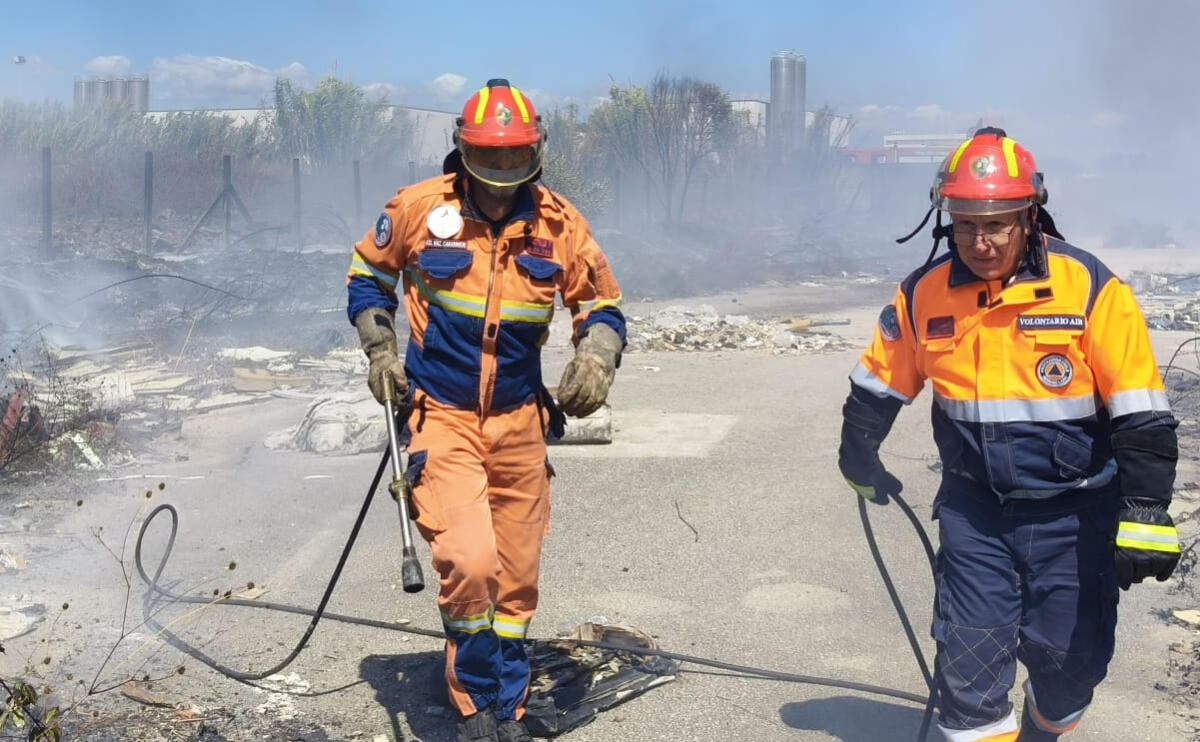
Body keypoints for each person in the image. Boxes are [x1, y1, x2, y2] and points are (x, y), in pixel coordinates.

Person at [838, 127, 1182, 741]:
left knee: (1071, 668)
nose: (981, 240)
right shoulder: (924, 293)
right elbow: (882, 379)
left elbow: (1139, 407)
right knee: (969, 672)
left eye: (997, 222)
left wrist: (1147, 509)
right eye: (966, 223)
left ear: (1031, 215)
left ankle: (1041, 734)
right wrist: (858, 451)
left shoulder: (1090, 286)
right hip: (977, 515)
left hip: (1076, 517)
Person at [346, 79, 626, 742]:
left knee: (516, 579)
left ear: (534, 153)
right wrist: (380, 350)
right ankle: (475, 703)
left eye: (514, 159)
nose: (501, 176)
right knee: (471, 564)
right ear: (464, 152)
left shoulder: (558, 223)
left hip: (520, 421)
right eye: (489, 160)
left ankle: (511, 703)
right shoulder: (419, 209)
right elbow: (368, 276)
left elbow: (603, 304)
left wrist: (599, 355)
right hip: (441, 413)